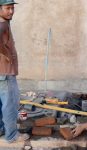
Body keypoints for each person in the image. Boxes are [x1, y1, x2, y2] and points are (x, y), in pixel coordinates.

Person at [0, 0, 29, 143]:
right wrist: (7, 54)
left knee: (1, 105)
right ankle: (12, 136)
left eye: (12, 8)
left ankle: (1, 130)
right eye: (7, 8)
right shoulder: (2, 24)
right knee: (10, 105)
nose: (11, 11)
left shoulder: (4, 23)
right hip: (5, 74)